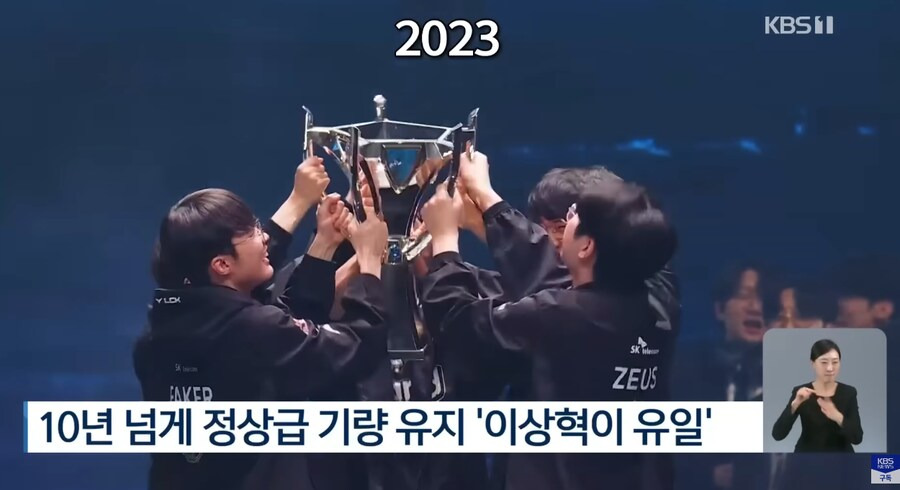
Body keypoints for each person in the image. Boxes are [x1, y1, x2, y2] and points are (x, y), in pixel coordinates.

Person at [132, 156, 391, 490]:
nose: (265, 237)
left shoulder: (157, 333)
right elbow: (356, 347)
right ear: (221, 265)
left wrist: (324, 243)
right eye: (254, 231)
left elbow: (281, 329)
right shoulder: (252, 329)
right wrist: (369, 261)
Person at [421, 156, 679, 490]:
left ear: (587, 245)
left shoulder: (559, 313)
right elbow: (546, 279)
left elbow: (459, 322)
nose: (554, 237)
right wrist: (489, 218)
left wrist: (445, 241)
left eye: (569, 220)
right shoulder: (658, 301)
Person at [771, 339, 864, 452]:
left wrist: (836, 415)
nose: (830, 368)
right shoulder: (801, 393)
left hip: (841, 457)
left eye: (835, 362)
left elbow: (857, 438)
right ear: (813, 363)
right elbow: (778, 435)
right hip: (807, 456)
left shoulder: (849, 392)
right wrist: (795, 404)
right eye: (824, 362)